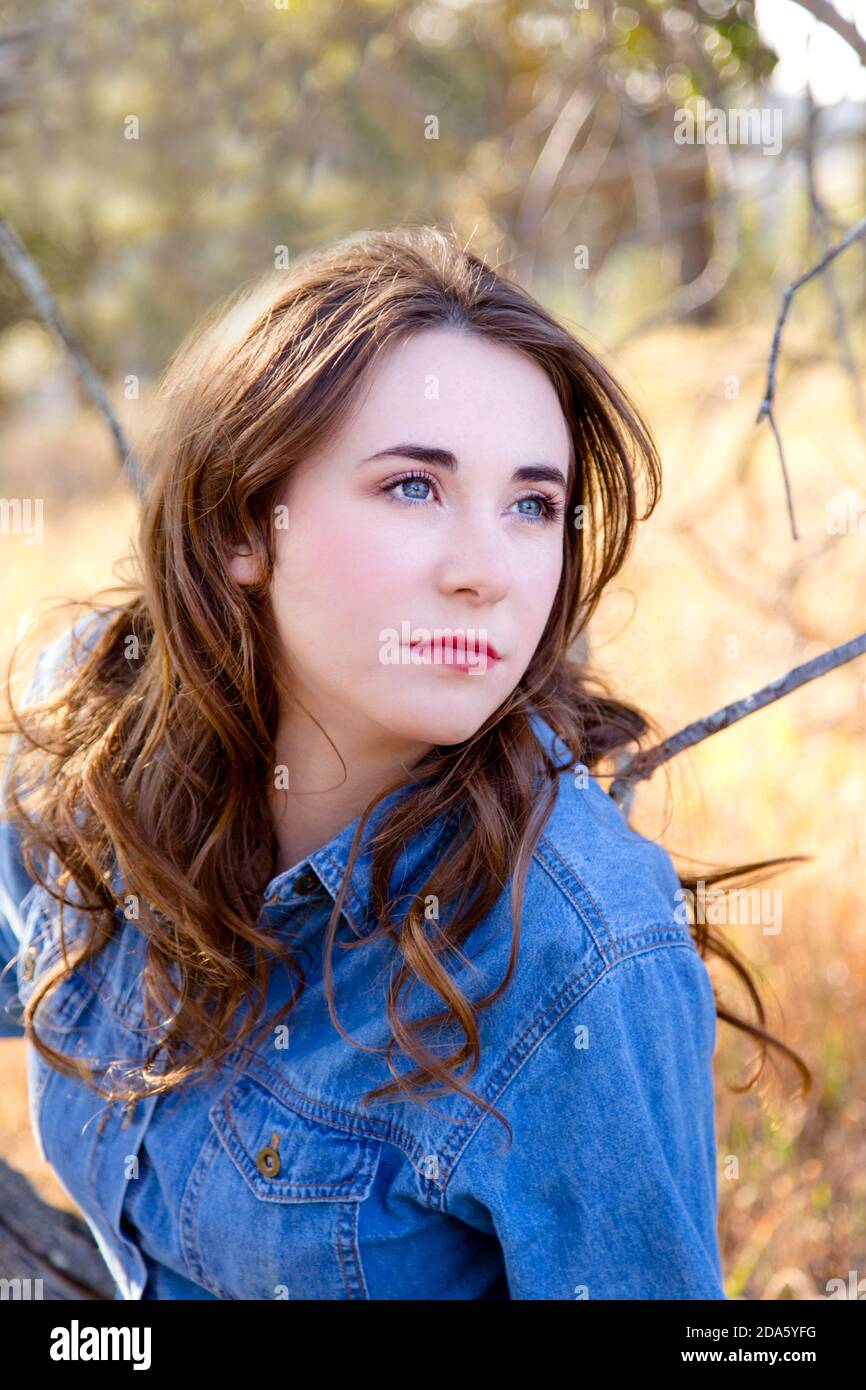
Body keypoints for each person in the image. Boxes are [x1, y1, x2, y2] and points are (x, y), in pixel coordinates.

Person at [0, 225, 808, 1300]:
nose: (486, 572)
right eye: (412, 488)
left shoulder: (575, 953)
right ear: (245, 526)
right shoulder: (97, 732)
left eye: (530, 505)